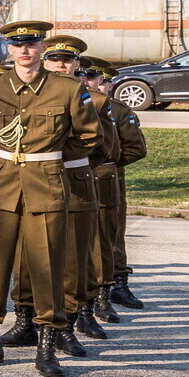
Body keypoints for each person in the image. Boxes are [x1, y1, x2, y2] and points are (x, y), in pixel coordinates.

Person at [0, 21, 99, 377]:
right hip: (0, 182)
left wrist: (49, 157)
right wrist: (3, 150)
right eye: (17, 44)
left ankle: (46, 347)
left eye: (32, 43)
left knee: (48, 264)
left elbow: (89, 136)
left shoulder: (66, 88)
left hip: (46, 184)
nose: (24, 50)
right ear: (9, 49)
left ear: (42, 48)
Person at [82, 57, 149, 315]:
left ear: (105, 82)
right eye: (83, 75)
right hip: (72, 178)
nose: (88, 82)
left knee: (109, 237)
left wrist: (107, 164)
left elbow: (135, 149)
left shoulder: (117, 109)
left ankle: (115, 285)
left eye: (94, 78)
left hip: (105, 179)